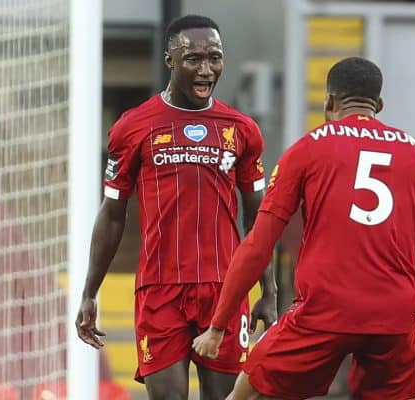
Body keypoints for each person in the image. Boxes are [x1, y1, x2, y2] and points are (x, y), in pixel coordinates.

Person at [193, 56, 415, 399]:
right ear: (379, 105)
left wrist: (217, 326)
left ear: (329, 102)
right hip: (394, 319)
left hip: (324, 310)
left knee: (249, 394)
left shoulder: (308, 149)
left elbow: (258, 244)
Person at [75, 15, 277, 400]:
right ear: (169, 60)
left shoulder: (242, 129)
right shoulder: (133, 128)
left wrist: (268, 288)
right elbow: (112, 213)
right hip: (159, 290)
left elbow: (259, 219)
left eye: (214, 58)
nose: (206, 69)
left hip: (225, 289)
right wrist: (90, 291)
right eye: (194, 59)